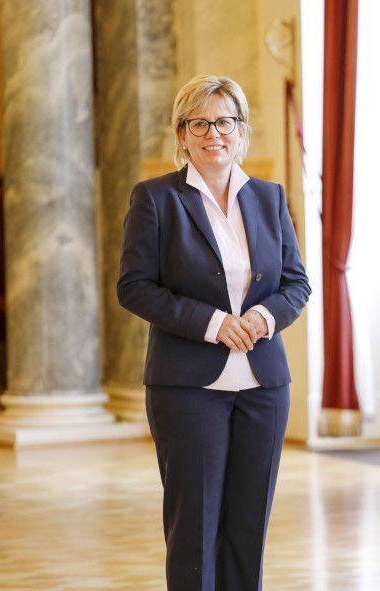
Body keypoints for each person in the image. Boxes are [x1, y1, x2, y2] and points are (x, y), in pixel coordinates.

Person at [117, 74, 310, 590]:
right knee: (194, 533)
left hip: (264, 387)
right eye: (198, 123)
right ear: (181, 134)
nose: (213, 134)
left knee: (248, 531)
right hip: (187, 388)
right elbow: (134, 288)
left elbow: (296, 283)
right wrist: (214, 324)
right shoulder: (156, 199)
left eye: (224, 122)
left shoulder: (268, 197)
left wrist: (263, 318)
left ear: (241, 130)